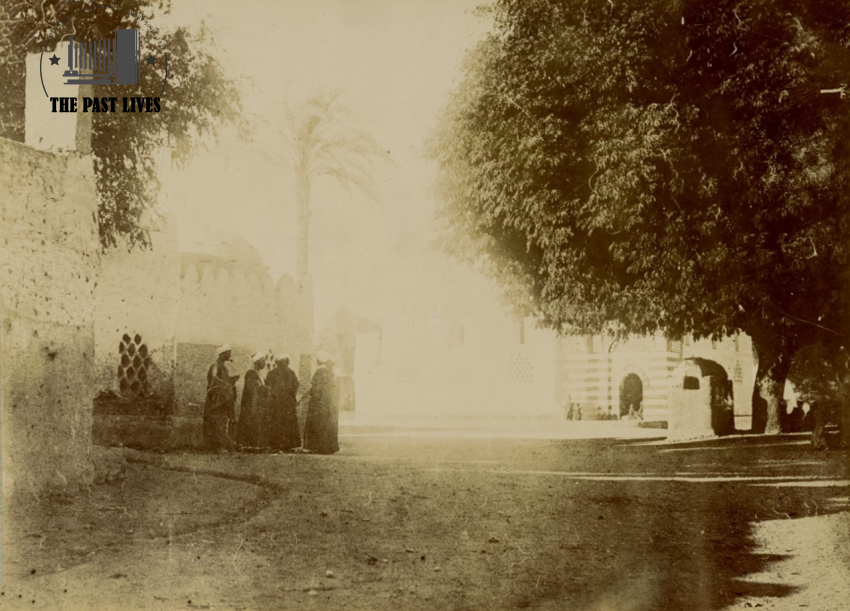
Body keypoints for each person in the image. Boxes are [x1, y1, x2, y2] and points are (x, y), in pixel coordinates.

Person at [203, 344, 239, 452]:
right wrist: (227, 384)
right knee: (218, 421)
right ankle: (217, 446)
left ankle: (223, 445)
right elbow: (213, 381)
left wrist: (231, 380)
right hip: (217, 400)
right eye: (229, 352)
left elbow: (223, 381)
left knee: (224, 422)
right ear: (223, 354)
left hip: (224, 399)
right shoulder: (215, 365)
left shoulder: (223, 367)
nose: (230, 355)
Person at [303, 351, 339, 454]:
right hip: (327, 403)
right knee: (325, 424)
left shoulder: (319, 372)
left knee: (316, 423)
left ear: (318, 361)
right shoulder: (328, 372)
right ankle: (326, 447)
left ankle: (316, 447)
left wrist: (313, 394)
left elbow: (317, 389)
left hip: (318, 403)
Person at [266, 353, 301, 451]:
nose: (283, 365)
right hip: (278, 403)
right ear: (278, 363)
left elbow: (296, 385)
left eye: (284, 362)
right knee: (279, 422)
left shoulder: (290, 373)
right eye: (281, 363)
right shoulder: (273, 374)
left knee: (286, 422)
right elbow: (269, 387)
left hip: (286, 403)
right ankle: (279, 444)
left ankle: (286, 445)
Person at [236, 352, 268, 449]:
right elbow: (251, 390)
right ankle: (247, 444)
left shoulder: (260, 375)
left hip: (259, 403)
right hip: (251, 404)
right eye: (262, 361)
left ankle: (255, 444)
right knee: (250, 421)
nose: (264, 363)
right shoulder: (251, 373)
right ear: (257, 362)